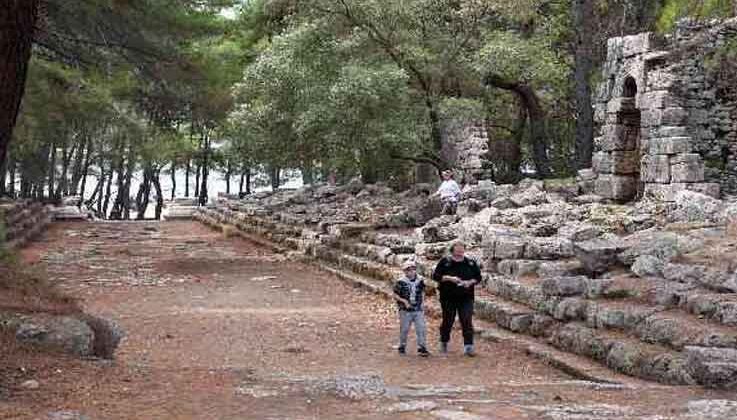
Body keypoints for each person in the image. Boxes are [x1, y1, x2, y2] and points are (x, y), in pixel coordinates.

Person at [432, 241, 482, 357]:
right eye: (457, 250)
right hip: (448, 297)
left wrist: (470, 282)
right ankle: (444, 342)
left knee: (466, 320)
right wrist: (449, 278)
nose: (460, 252)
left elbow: (478, 277)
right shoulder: (445, 262)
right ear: (452, 250)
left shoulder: (470, 263)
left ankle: (469, 346)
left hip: (466, 297)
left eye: (462, 250)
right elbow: (436, 276)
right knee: (448, 320)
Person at [393, 260, 430, 357]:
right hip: (405, 310)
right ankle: (402, 345)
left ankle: (422, 347)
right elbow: (395, 295)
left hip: (417, 308)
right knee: (404, 329)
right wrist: (404, 301)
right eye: (408, 270)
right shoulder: (400, 282)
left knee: (421, 328)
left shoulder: (420, 280)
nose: (410, 272)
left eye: (412, 269)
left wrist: (423, 302)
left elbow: (422, 291)